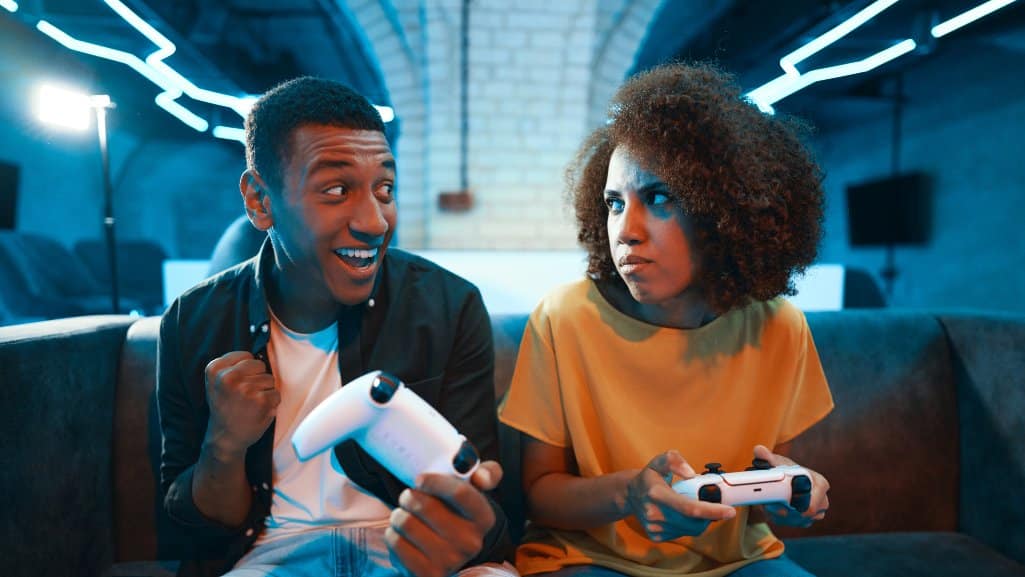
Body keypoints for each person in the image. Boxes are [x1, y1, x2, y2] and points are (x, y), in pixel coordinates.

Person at [157, 77, 515, 577]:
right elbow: (187, 530)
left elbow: (490, 511)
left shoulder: (447, 305)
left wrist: (470, 531)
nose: (375, 221)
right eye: (337, 189)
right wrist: (224, 442)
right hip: (267, 556)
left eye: (385, 188)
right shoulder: (195, 320)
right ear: (260, 201)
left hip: (407, 553)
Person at [499, 62, 834, 577]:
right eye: (613, 203)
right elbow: (540, 498)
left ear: (724, 211)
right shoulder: (563, 318)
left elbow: (767, 484)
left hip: (736, 563)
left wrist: (788, 493)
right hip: (590, 560)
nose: (625, 231)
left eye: (658, 198)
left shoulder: (780, 327)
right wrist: (629, 495)